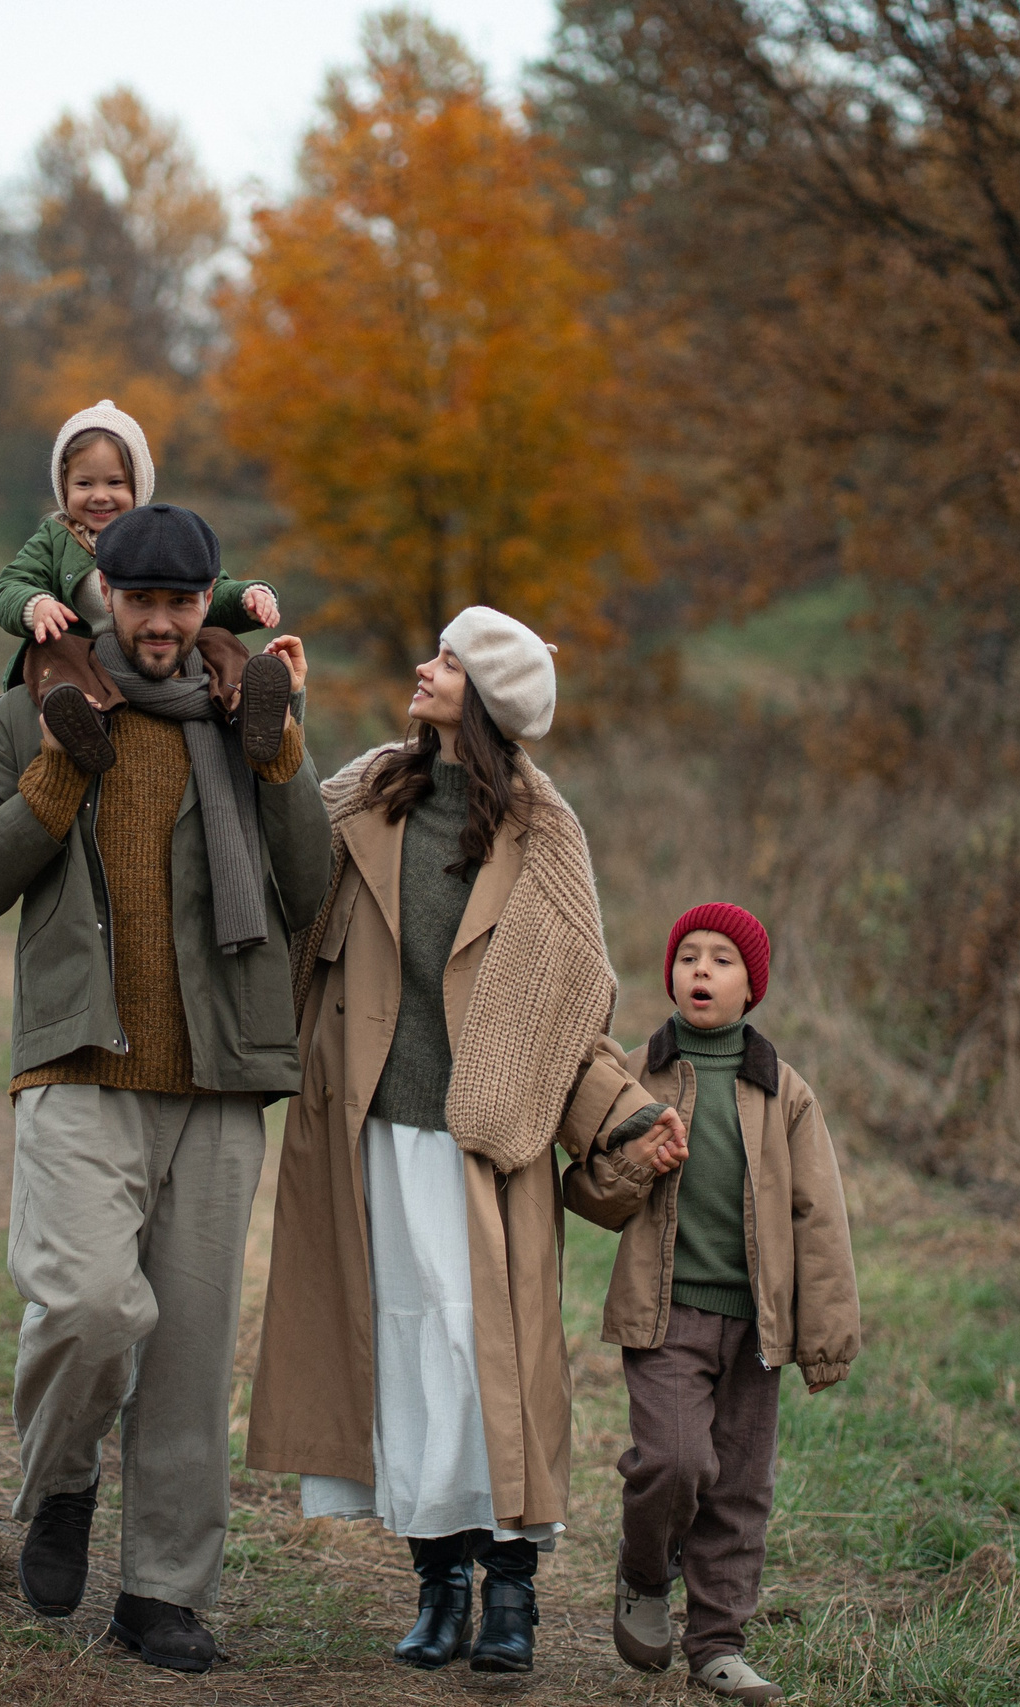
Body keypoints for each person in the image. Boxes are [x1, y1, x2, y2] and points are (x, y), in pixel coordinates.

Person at [0, 501, 331, 1675]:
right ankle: (62, 1481)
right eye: (140, 600)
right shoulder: (25, 715)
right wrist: (61, 773)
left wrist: (281, 753)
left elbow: (308, 883)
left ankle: (163, 1591)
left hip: (217, 1078)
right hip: (78, 1065)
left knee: (193, 1351)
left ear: (205, 597)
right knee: (87, 1307)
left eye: (179, 601)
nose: (160, 625)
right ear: (105, 593)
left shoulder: (241, 716)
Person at [248, 606, 676, 1675]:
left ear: (483, 694)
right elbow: (286, 857)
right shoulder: (370, 790)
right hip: (372, 1132)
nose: (422, 668)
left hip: (491, 1143)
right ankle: (437, 1586)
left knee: (494, 1366)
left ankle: (512, 1597)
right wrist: (279, 720)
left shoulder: (544, 832)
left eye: (445, 659)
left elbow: (571, 994)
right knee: (403, 1357)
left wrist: (608, 1124)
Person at [562, 903, 862, 1701]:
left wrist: (825, 1333)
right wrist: (639, 1164)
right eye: (688, 954)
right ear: (668, 972)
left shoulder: (782, 1090)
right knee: (674, 1459)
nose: (701, 969)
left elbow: (818, 1215)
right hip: (666, 1316)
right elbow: (589, 1192)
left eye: (722, 959)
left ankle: (719, 1642)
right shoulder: (633, 1075)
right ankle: (644, 1573)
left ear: (752, 986)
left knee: (738, 1484)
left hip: (757, 1327)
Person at [0, 400, 291, 778]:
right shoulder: (56, 538)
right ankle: (80, 722)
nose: (100, 496)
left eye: (115, 483)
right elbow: (10, 584)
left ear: (139, 485)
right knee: (47, 650)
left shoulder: (157, 534)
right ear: (64, 487)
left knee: (218, 640)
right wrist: (34, 604)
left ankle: (247, 706)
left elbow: (207, 590)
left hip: (149, 643)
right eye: (85, 483)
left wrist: (249, 596)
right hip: (84, 652)